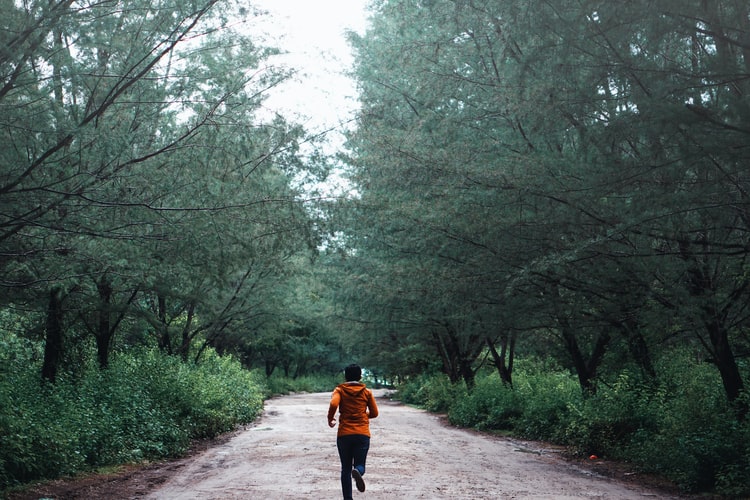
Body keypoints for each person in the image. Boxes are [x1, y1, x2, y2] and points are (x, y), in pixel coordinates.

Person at [328, 364, 379, 499]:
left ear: (345, 376)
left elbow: (334, 404)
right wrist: (362, 415)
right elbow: (374, 413)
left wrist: (330, 418)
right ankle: (358, 472)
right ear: (360, 376)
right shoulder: (366, 392)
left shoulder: (339, 390)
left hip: (344, 434)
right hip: (362, 433)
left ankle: (348, 498)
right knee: (360, 464)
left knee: (345, 468)